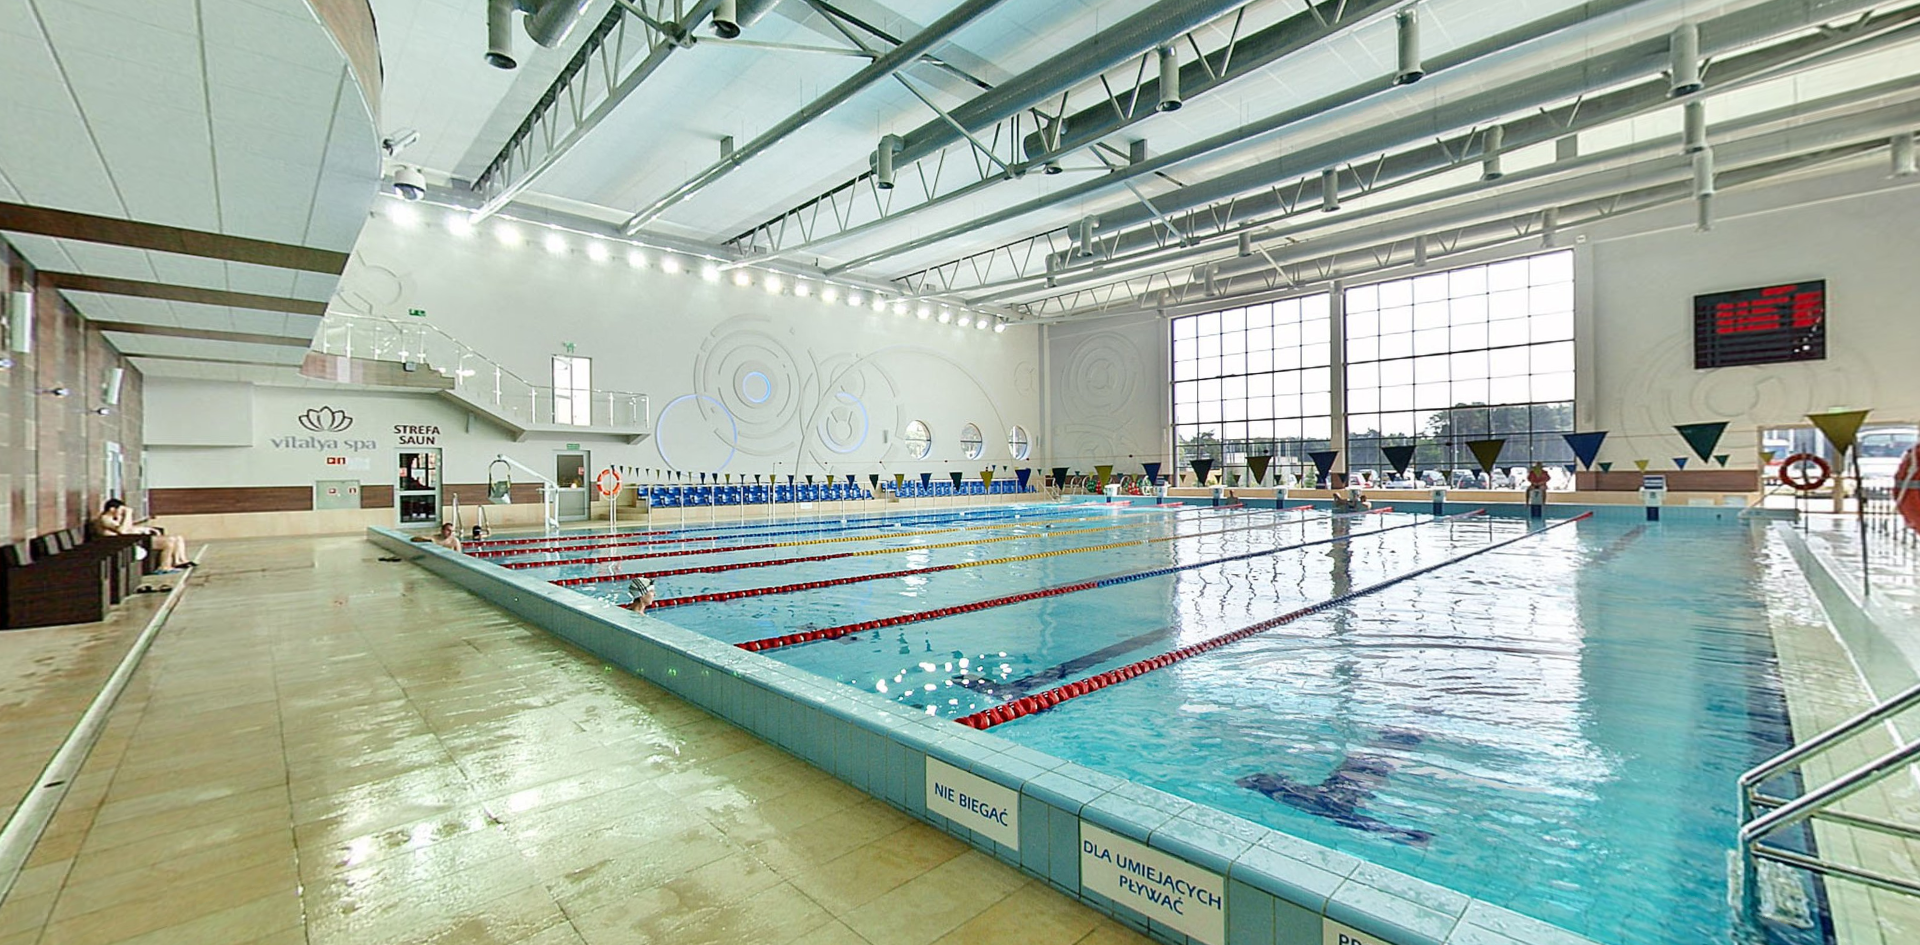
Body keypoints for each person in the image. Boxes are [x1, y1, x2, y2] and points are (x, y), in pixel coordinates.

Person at [93, 498, 191, 572]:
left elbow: (128, 529)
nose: (122, 513)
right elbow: (123, 531)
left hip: (126, 541)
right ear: (112, 509)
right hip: (118, 544)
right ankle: (164, 566)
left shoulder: (113, 519)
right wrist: (128, 514)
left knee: (175, 538)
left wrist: (146, 529)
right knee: (168, 542)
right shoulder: (105, 518)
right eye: (121, 510)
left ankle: (178, 561)